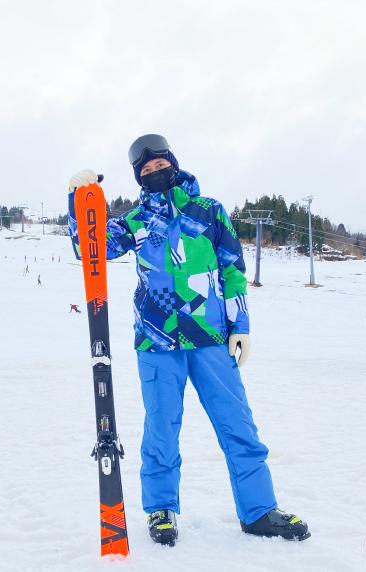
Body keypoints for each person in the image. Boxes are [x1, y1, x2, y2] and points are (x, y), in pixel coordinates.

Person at [67, 134, 309, 547]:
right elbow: (89, 248)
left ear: (173, 165)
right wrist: (78, 200)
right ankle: (161, 510)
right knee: (161, 428)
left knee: (237, 424)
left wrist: (241, 325)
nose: (155, 173)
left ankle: (259, 510)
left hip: (211, 336)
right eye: (146, 171)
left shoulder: (209, 212)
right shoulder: (135, 222)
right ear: (139, 179)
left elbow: (233, 270)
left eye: (160, 165)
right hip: (156, 341)